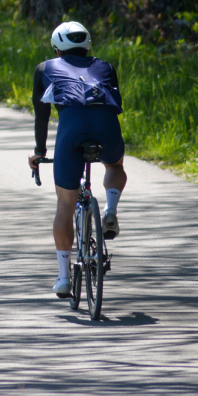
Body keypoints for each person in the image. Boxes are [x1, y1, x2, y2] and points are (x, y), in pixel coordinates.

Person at [28, 22, 127, 298]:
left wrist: (39, 151)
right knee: (115, 164)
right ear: (87, 47)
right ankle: (110, 210)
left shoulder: (45, 68)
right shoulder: (106, 67)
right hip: (107, 131)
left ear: (57, 50)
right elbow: (115, 103)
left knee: (65, 204)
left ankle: (63, 277)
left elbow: (42, 114)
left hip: (71, 133)